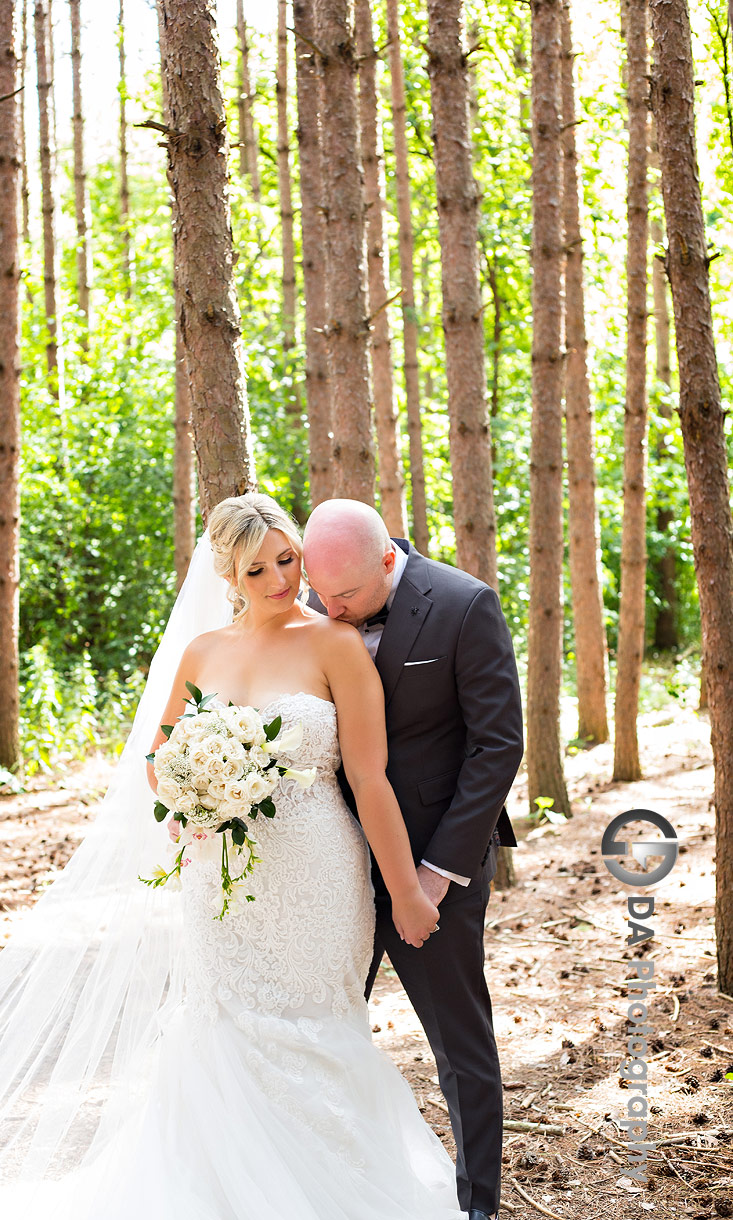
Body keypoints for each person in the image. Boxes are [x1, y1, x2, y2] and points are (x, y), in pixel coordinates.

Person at [0, 492, 464, 1220]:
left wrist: (404, 890)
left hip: (316, 871)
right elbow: (160, 757)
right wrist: (198, 794)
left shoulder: (334, 644)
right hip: (218, 879)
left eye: (286, 559)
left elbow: (368, 778)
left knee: (315, 1024)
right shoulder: (203, 651)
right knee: (224, 1023)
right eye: (256, 569)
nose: (278, 578)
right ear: (227, 576)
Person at [302, 498, 525, 1220]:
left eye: (345, 597)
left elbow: (497, 746)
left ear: (389, 562)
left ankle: (478, 1204)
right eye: (320, 593)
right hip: (333, 863)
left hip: (437, 864)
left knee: (459, 1045)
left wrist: (432, 874)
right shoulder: (313, 602)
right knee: (320, 1033)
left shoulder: (465, 606)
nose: (328, 609)